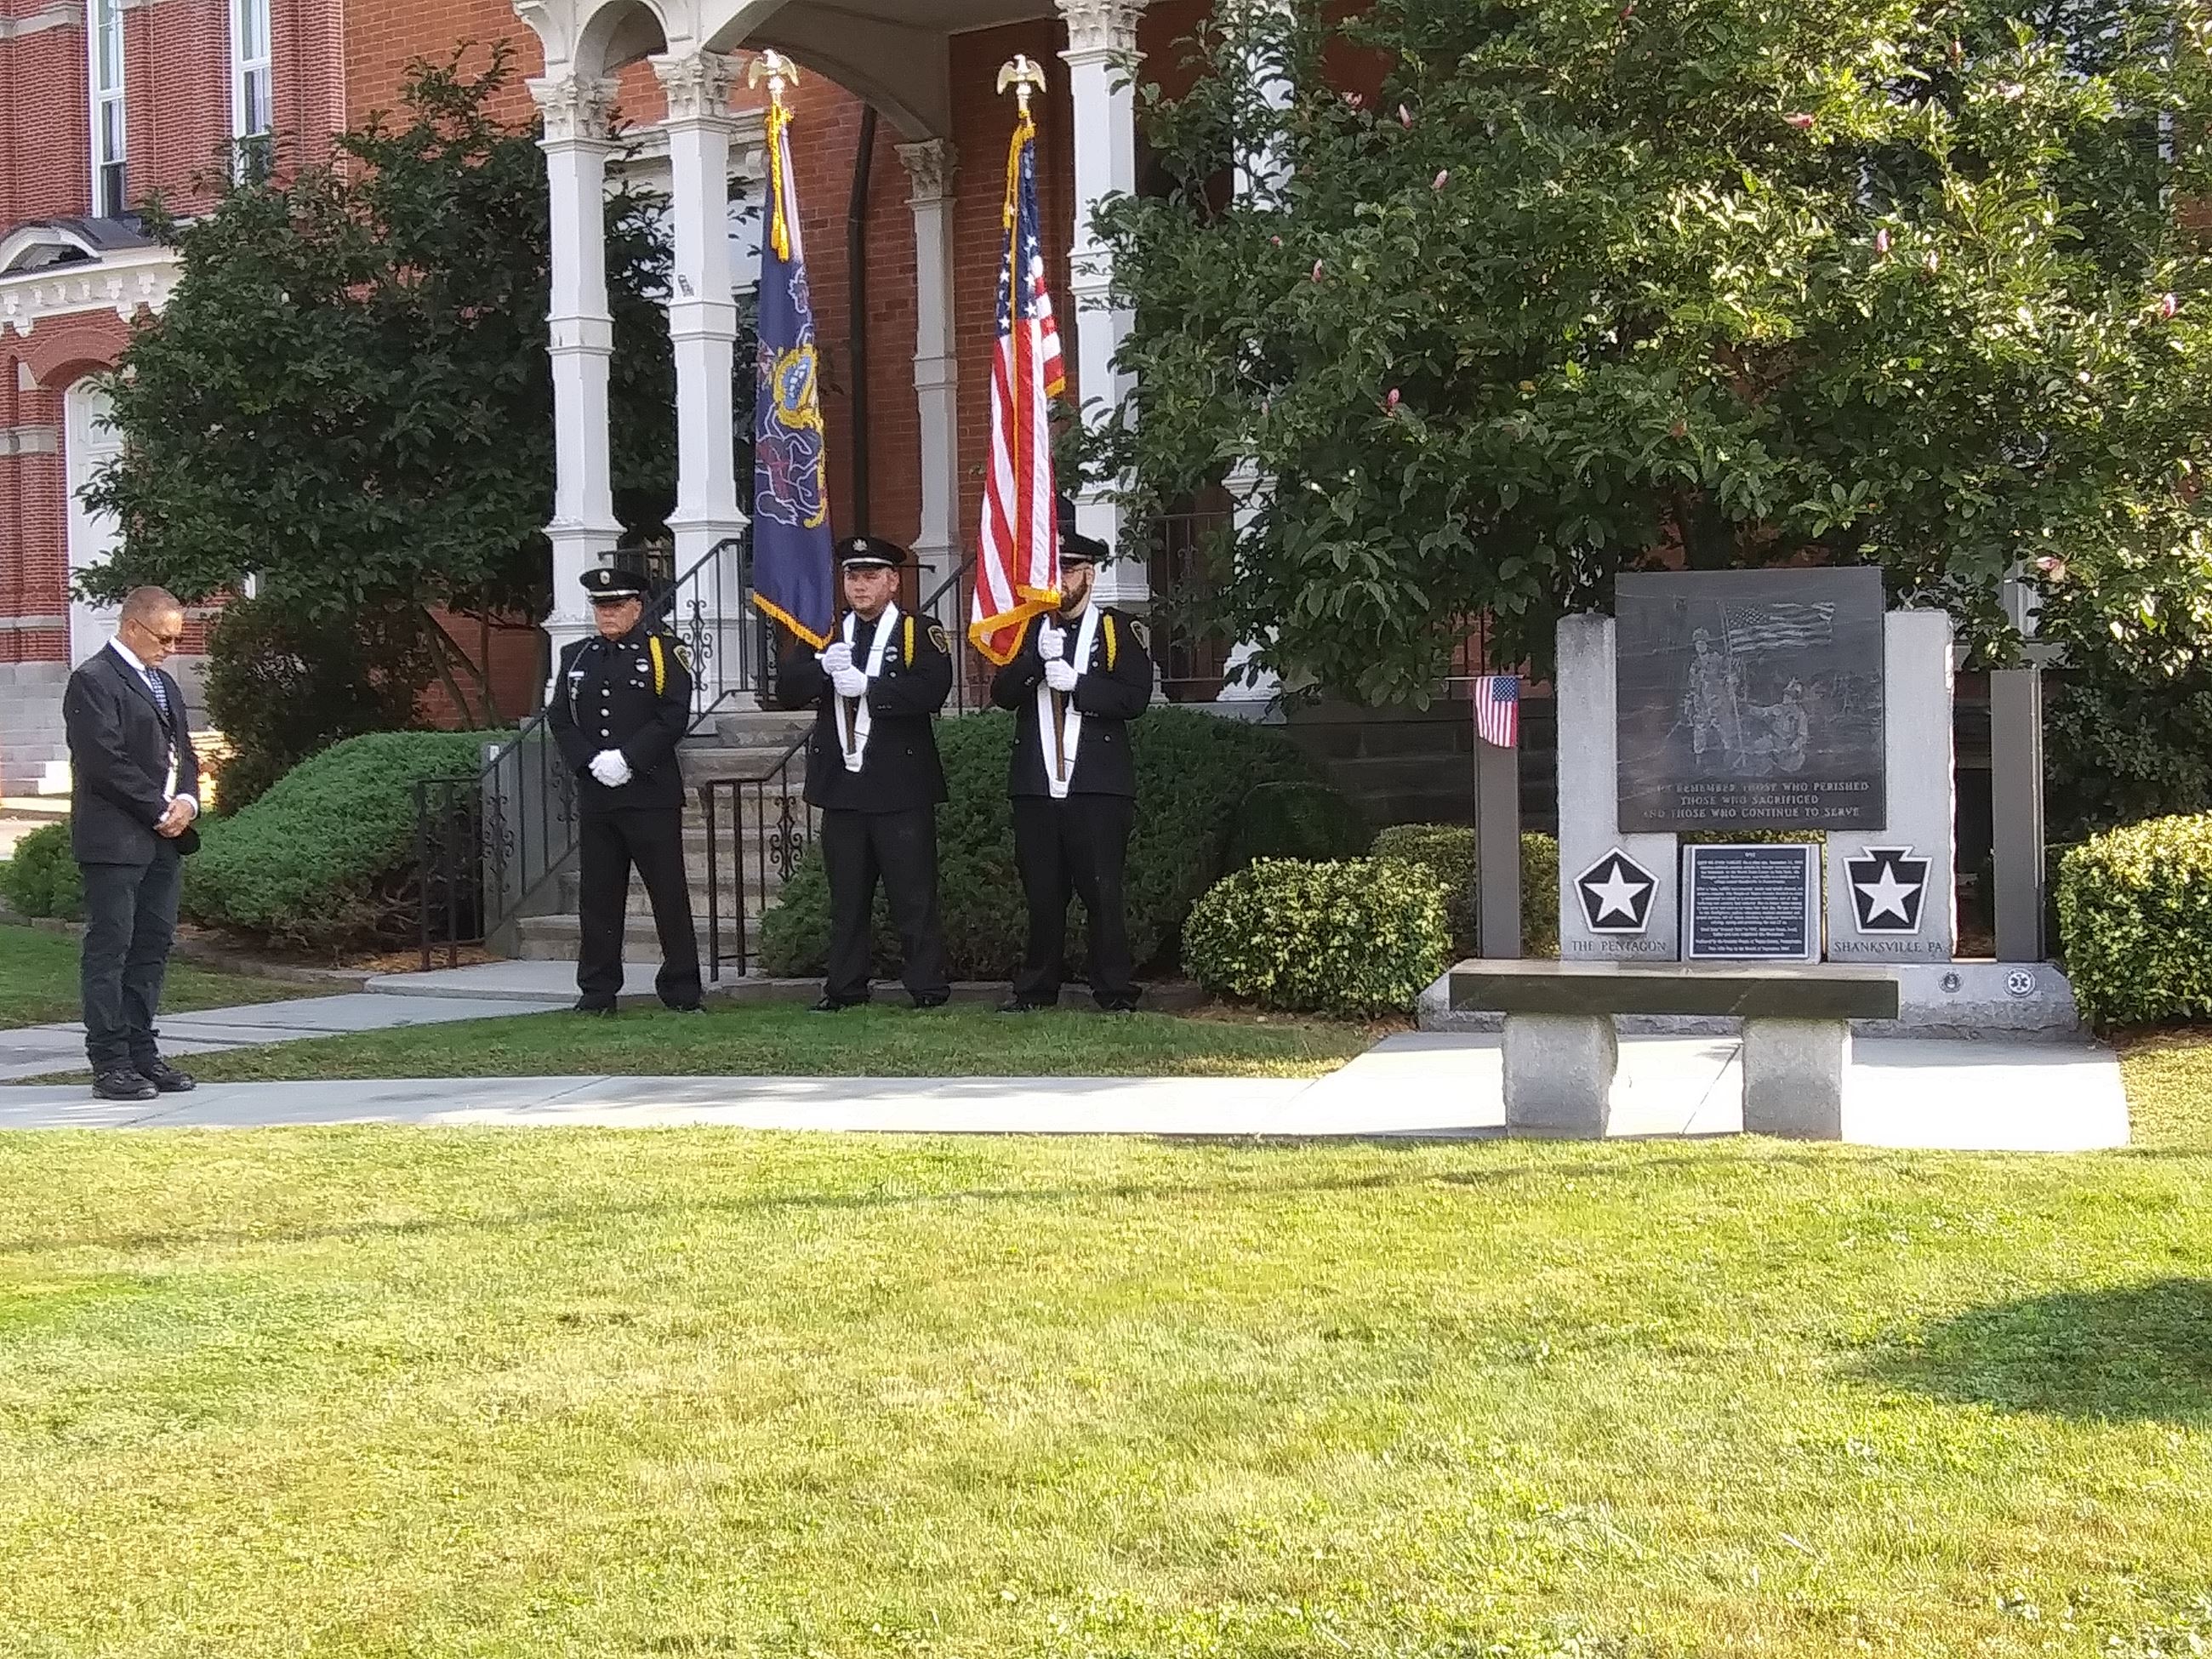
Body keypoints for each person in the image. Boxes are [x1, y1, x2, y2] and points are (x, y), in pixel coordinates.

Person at [776, 535, 953, 1012]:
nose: (860, 585)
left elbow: (932, 689)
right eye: (852, 576)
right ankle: (845, 987)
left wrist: (871, 689)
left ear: (893, 582)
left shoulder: (918, 631)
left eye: (871, 575)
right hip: (844, 786)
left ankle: (927, 987)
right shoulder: (827, 632)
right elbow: (786, 688)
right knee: (848, 900)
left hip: (900, 786)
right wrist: (820, 668)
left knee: (912, 896)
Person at [989, 530, 1154, 1012]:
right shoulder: (1028, 630)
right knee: (1042, 894)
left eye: (1068, 570)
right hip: (1037, 784)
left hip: (1097, 784)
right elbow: (1002, 694)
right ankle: (1037, 989)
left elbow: (1134, 698)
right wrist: (1034, 666)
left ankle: (1114, 990)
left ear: (1090, 575)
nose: (1059, 580)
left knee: (1102, 891)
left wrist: (1079, 684)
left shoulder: (1119, 630)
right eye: (1052, 570)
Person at [64, 585, 202, 1102]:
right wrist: (157, 809)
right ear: (132, 627)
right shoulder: (93, 680)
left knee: (152, 948)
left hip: (165, 839)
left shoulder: (163, 683)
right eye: (164, 638)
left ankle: (144, 1052)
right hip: (115, 840)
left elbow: (183, 751)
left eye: (175, 639)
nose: (171, 649)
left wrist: (187, 800)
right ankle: (111, 1062)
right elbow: (104, 760)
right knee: (111, 949)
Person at [547, 560, 703, 1014]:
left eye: (616, 606)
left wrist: (629, 758)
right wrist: (589, 760)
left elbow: (673, 714)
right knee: (598, 896)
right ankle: (597, 991)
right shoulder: (576, 655)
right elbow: (560, 716)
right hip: (599, 792)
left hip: (649, 792)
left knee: (667, 893)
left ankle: (681, 988)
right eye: (600, 607)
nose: (607, 615)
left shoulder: (663, 651)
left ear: (637, 607)